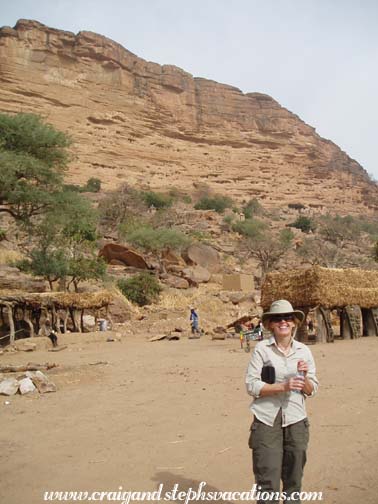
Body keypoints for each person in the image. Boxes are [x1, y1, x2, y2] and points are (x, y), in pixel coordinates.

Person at [245, 300, 319, 503]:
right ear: (270, 324)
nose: (283, 322)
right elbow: (251, 385)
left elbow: (313, 389)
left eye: (287, 318)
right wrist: (283, 387)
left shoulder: (304, 351)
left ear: (294, 322)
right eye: (277, 318)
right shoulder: (262, 350)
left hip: (296, 420)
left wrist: (303, 380)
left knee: (294, 480)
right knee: (267, 480)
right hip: (266, 420)